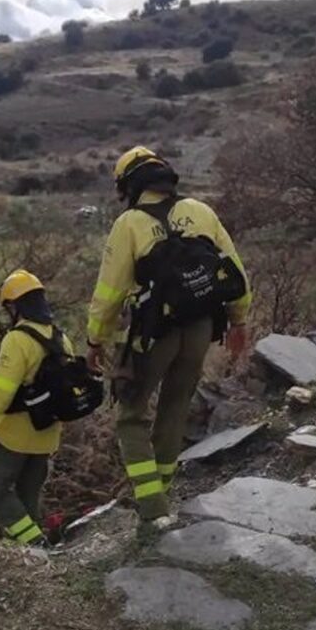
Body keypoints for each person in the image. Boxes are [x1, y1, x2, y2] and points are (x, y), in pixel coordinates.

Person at [86, 146, 251, 524]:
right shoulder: (201, 211)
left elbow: (109, 294)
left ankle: (152, 506)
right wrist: (239, 321)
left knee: (130, 415)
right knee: (175, 408)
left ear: (129, 185)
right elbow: (234, 272)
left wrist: (95, 341)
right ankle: (162, 493)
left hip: (155, 331)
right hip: (201, 328)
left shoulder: (128, 224)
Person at [0, 269, 73, 546]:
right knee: (27, 496)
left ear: (14, 306)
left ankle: (35, 544)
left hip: (13, 436)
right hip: (47, 435)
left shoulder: (17, 340)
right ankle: (28, 554)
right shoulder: (61, 338)